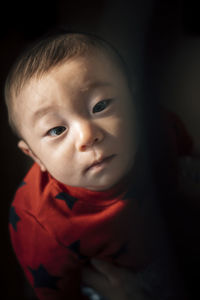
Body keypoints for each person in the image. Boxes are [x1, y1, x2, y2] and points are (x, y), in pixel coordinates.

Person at [5, 32, 191, 300]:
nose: (87, 136)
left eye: (100, 105)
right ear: (34, 156)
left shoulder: (156, 131)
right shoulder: (39, 221)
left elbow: (181, 145)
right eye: (57, 129)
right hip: (110, 279)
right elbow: (55, 292)